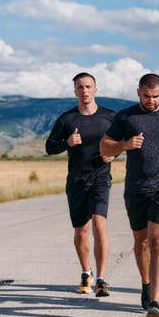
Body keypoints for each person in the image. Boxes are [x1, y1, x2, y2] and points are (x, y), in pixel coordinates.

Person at [100, 73, 159, 317]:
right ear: (138, 93)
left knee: (157, 243)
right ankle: (146, 283)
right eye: (146, 96)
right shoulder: (125, 117)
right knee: (141, 242)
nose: (151, 101)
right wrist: (125, 145)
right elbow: (104, 147)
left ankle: (155, 302)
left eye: (156, 97)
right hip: (135, 190)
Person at [45, 72, 115, 297]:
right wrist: (67, 142)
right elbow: (49, 147)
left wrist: (114, 154)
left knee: (99, 225)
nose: (84, 91)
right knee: (81, 231)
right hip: (76, 181)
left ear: (95, 89)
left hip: (100, 179)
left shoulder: (110, 117)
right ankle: (87, 272)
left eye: (88, 86)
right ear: (75, 91)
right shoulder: (67, 119)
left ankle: (102, 279)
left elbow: (123, 143)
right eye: (80, 87)